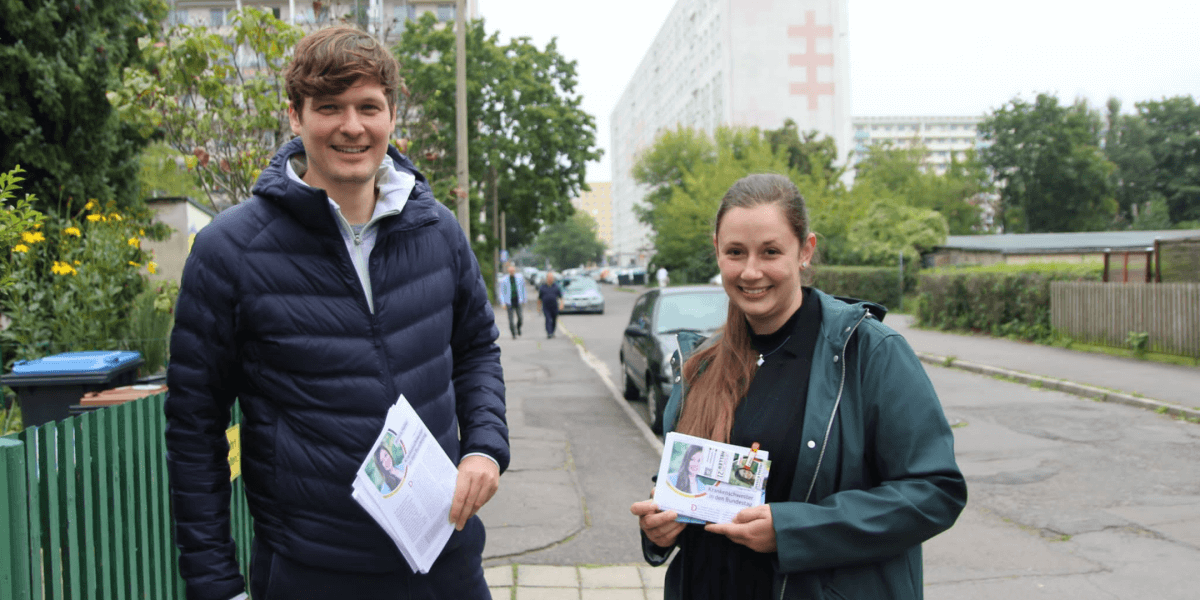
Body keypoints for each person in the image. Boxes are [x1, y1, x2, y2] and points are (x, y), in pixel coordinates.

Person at [165, 26, 508, 600]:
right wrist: (216, 585)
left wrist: (483, 446)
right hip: (311, 574)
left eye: (368, 106)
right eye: (329, 107)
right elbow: (194, 427)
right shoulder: (231, 251)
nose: (352, 126)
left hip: (445, 563)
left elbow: (476, 350)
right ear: (295, 117)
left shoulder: (439, 231)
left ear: (391, 115)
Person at [629, 173, 966, 600]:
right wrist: (659, 530)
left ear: (805, 250)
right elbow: (685, 481)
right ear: (717, 251)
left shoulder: (869, 352)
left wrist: (795, 530)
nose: (751, 271)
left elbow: (935, 491)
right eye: (735, 252)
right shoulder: (703, 362)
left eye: (770, 251)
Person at [498, 262, 526, 339]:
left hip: (518, 300)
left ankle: (518, 327)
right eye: (510, 271)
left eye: (513, 271)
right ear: (508, 271)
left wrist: (524, 300)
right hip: (509, 301)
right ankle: (513, 333)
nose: (511, 272)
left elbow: (523, 289)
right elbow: (501, 292)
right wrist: (503, 303)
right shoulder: (504, 280)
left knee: (520, 317)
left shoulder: (520, 278)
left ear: (514, 271)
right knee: (511, 319)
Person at [537, 271, 564, 339]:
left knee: (554, 320)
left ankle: (552, 331)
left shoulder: (556, 287)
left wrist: (561, 304)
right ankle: (549, 333)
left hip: (554, 306)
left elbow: (561, 297)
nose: (550, 279)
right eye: (549, 278)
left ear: (553, 279)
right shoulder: (542, 287)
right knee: (548, 319)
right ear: (546, 278)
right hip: (546, 307)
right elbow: (539, 298)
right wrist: (538, 307)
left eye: (551, 278)